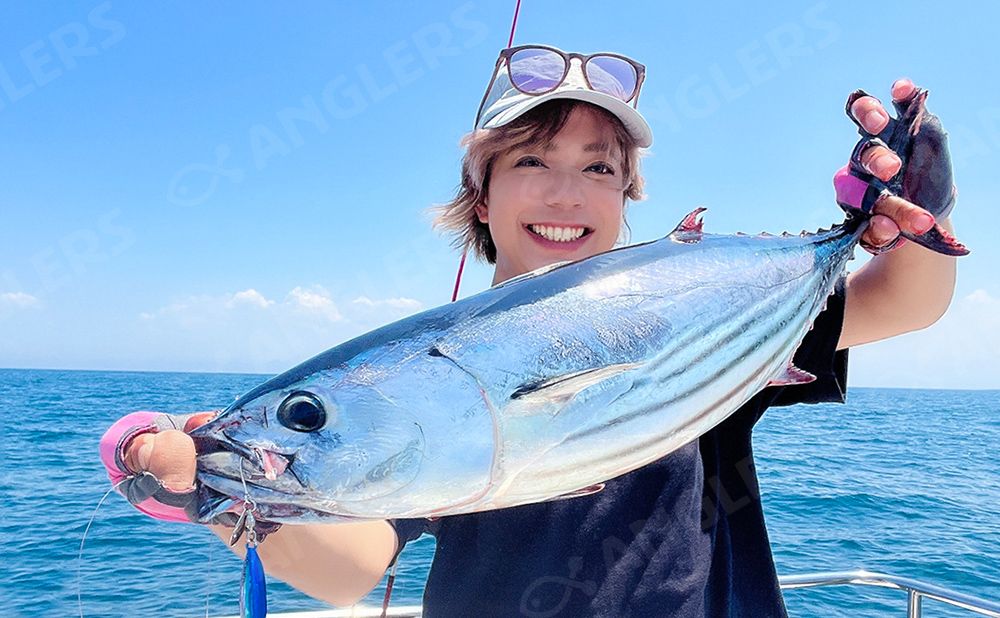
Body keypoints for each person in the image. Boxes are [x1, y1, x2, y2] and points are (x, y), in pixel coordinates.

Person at [100, 44, 958, 616]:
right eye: (530, 162)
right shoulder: (414, 373)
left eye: (598, 169)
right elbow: (352, 565)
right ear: (482, 197)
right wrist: (218, 494)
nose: (565, 192)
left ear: (627, 198)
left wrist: (923, 207)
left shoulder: (695, 307)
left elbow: (908, 303)